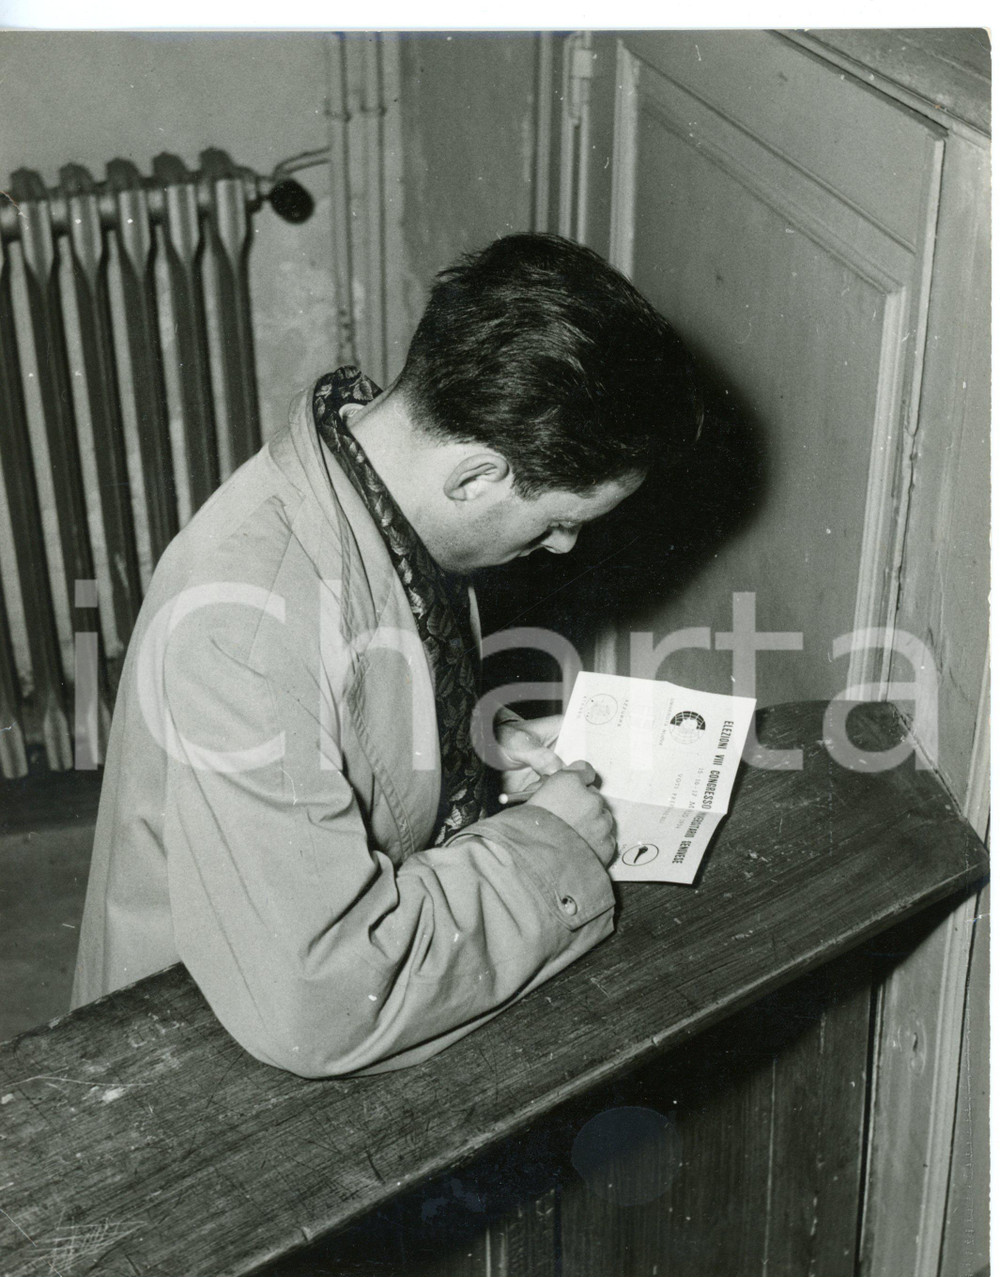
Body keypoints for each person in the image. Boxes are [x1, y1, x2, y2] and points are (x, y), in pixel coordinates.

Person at [71, 232, 700, 1076]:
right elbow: (321, 997)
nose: (559, 548)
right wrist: (550, 846)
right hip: (188, 1061)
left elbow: (364, 680)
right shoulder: (245, 632)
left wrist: (464, 741)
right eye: (557, 520)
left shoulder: (377, 474)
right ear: (475, 477)